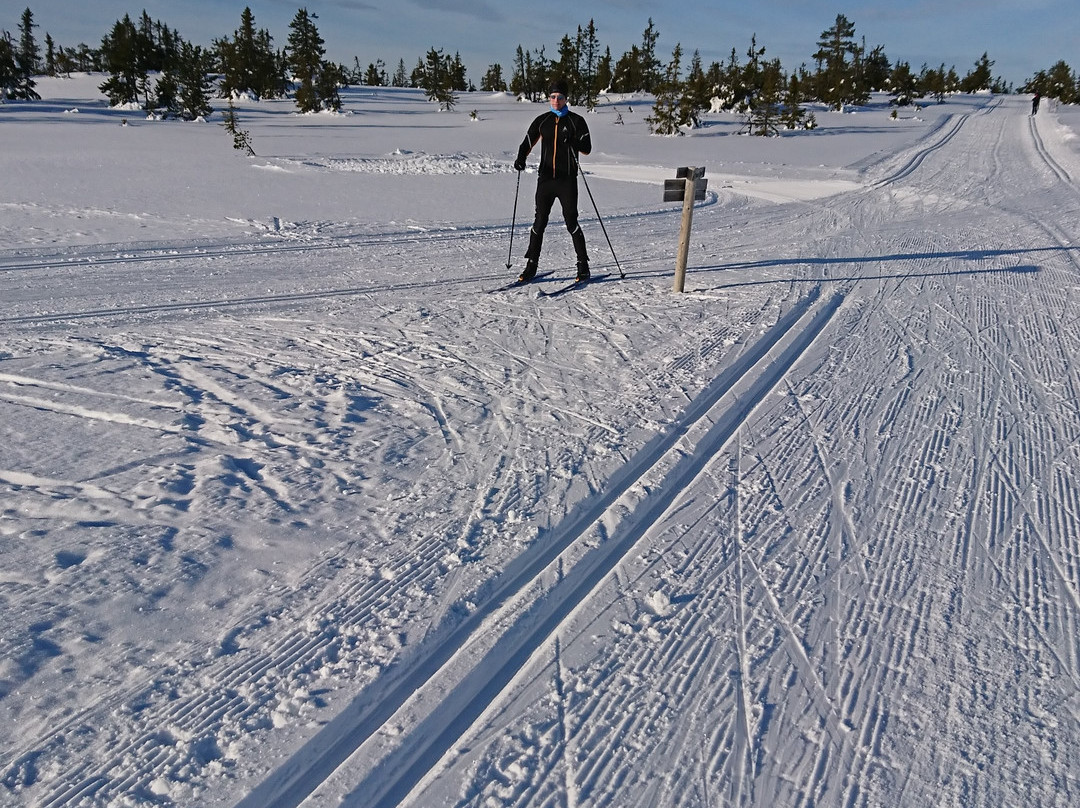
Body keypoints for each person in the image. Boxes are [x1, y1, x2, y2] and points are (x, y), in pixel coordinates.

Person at [513, 79, 592, 283]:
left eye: (560, 97)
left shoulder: (576, 121)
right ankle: (531, 265)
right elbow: (527, 142)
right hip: (546, 180)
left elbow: (587, 147)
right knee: (539, 222)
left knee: (571, 222)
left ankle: (583, 266)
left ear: (566, 99)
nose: (556, 101)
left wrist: (572, 141)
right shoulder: (542, 120)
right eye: (552, 97)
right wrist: (521, 159)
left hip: (567, 181)